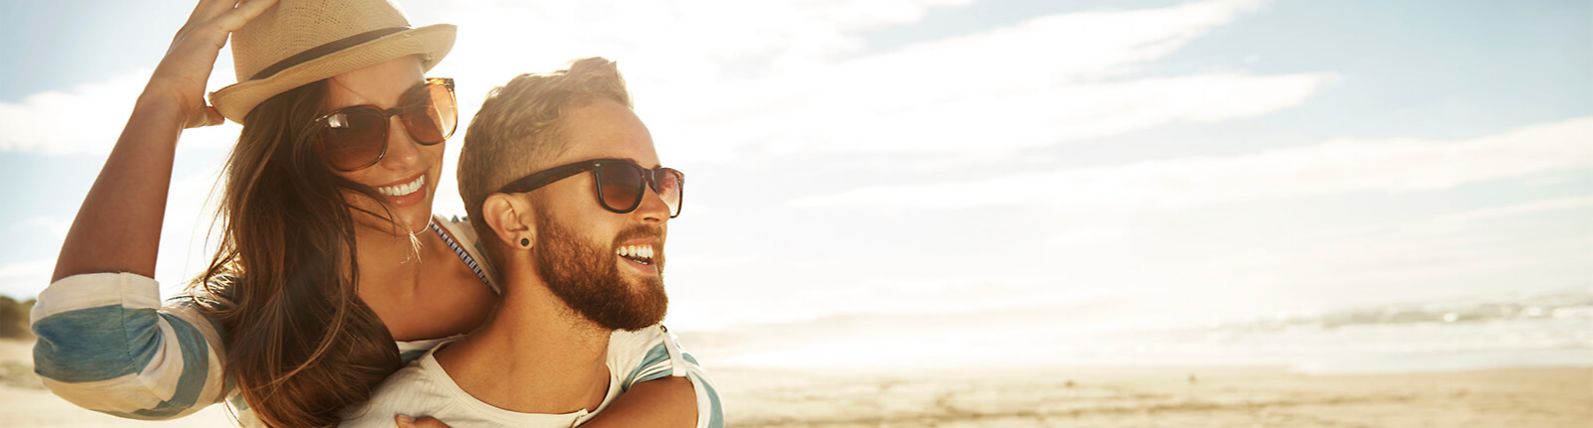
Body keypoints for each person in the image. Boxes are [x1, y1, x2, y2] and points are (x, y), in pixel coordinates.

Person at [29, 1, 709, 426]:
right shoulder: (256, 325)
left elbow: (679, 382)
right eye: (350, 129)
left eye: (421, 111)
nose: (406, 154)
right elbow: (94, 361)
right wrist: (164, 107)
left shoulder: (505, 249)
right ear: (290, 150)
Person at [343, 57, 722, 428]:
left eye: (662, 182)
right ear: (514, 220)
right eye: (618, 181)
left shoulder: (641, 360)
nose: (657, 207)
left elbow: (700, 400)